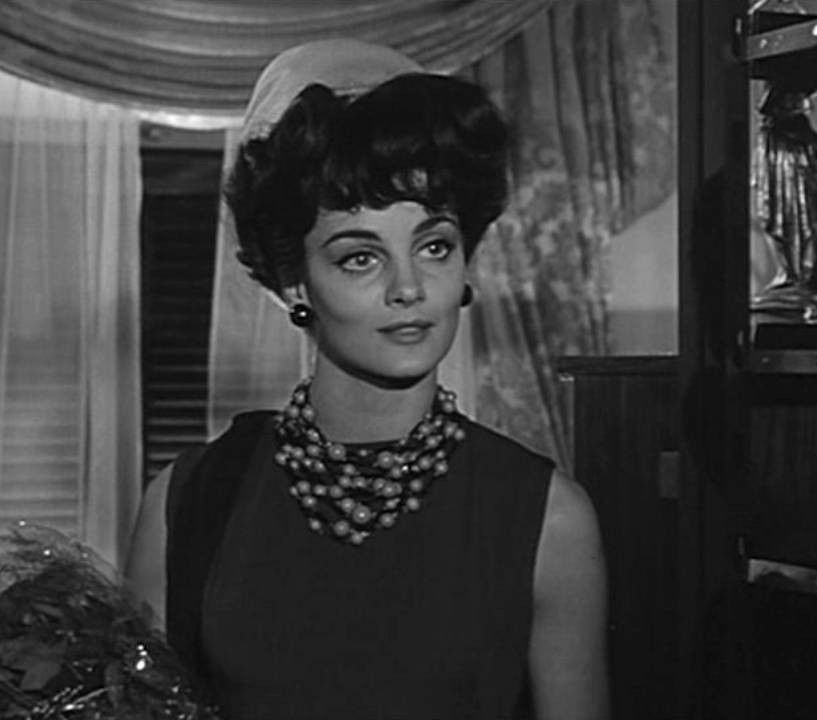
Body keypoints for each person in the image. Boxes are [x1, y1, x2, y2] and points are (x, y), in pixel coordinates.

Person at [126, 39, 608, 720]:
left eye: (434, 246)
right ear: (293, 281)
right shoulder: (187, 503)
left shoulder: (546, 517)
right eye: (360, 258)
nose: (409, 288)